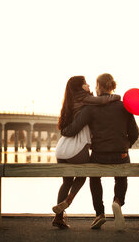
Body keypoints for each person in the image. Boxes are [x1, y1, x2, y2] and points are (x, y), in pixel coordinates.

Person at [61, 73, 139, 231]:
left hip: (99, 155)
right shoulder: (124, 106)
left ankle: (99, 213)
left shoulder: (91, 108)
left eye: (95, 86)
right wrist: (125, 145)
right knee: (122, 176)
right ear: (112, 86)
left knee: (94, 178)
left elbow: (74, 129)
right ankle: (117, 201)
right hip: (120, 154)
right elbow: (134, 133)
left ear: (98, 87)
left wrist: (64, 130)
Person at [52, 75, 120, 229]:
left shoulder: (69, 101)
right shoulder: (86, 100)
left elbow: (67, 128)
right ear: (80, 87)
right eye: (86, 83)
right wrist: (117, 97)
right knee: (85, 172)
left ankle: (58, 217)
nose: (89, 85)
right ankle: (69, 200)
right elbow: (102, 100)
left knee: (66, 181)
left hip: (62, 150)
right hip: (76, 148)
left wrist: (64, 130)